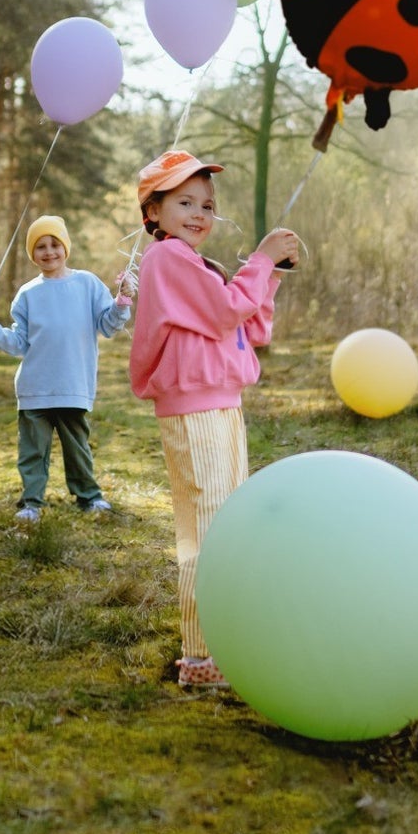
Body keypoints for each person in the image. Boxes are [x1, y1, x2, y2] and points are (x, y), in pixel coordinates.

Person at [128, 150, 299, 687]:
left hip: (223, 403)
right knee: (205, 526)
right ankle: (201, 656)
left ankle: (228, 635)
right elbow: (227, 310)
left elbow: (251, 328)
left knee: (231, 520)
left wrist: (266, 274)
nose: (200, 212)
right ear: (152, 212)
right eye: (184, 202)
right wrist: (261, 261)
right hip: (193, 407)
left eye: (207, 204)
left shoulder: (201, 266)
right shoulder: (167, 259)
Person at [0, 215, 132, 523]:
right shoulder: (27, 294)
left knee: (77, 448)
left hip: (73, 384)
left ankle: (89, 497)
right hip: (35, 387)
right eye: (40, 247)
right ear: (32, 253)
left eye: (55, 244)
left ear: (65, 247)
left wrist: (122, 302)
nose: (49, 252)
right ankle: (31, 503)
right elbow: (18, 342)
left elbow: (108, 325)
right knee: (33, 452)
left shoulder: (87, 284)